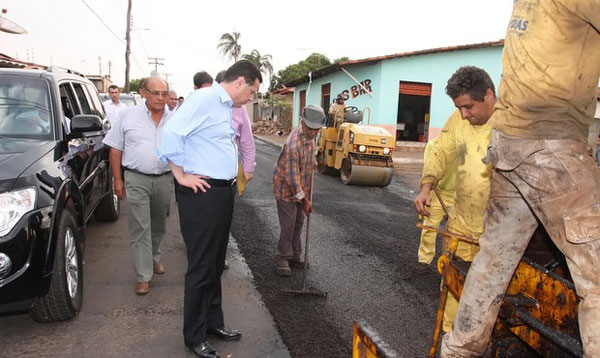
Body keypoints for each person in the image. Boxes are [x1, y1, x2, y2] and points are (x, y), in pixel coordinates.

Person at [441, 1, 600, 357]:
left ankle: (459, 350)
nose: (465, 115)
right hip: (550, 145)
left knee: (494, 260)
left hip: (510, 143)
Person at [159, 60, 262, 358]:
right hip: (201, 194)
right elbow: (170, 135)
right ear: (241, 82)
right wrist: (180, 174)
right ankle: (194, 335)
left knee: (216, 263)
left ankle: (213, 323)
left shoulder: (226, 107)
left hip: (222, 191)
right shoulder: (204, 99)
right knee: (202, 265)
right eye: (253, 91)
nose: (251, 98)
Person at [414, 66, 496, 333]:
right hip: (460, 227)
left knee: (490, 298)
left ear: (488, 95)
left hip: (496, 233)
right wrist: (426, 187)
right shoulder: (458, 120)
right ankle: (449, 343)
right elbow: (440, 153)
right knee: (452, 290)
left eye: (468, 107)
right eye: (459, 107)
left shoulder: (511, 124)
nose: (464, 114)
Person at [103, 76, 173, 296]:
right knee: (139, 226)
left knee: (158, 224)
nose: (160, 98)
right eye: (155, 93)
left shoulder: (176, 120)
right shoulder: (127, 116)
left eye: (164, 93)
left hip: (164, 179)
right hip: (136, 178)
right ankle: (143, 275)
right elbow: (115, 149)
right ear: (143, 92)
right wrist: (118, 180)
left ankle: (154, 257)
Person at [272, 104, 327, 276]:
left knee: (299, 222)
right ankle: (282, 257)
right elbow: (292, 178)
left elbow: (310, 158)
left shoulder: (311, 137)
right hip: (286, 190)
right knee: (288, 224)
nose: (313, 133)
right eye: (311, 129)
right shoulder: (293, 144)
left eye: (317, 130)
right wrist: (305, 200)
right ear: (302, 122)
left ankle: (295, 254)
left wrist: (314, 164)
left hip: (301, 187)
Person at [416, 137, 457, 271]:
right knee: (430, 228)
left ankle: (452, 262)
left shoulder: (470, 146)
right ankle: (424, 260)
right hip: (438, 193)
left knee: (458, 232)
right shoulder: (434, 144)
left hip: (461, 196)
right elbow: (429, 167)